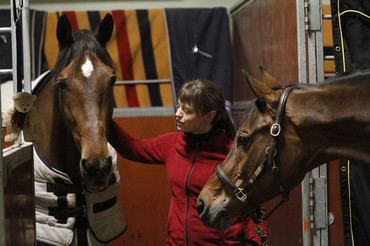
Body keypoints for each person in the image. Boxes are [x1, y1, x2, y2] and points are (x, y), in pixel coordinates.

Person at [108, 79, 268, 245]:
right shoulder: (171, 144)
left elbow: (254, 209)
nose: (178, 114)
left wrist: (259, 241)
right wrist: (99, 118)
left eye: (187, 111)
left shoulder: (233, 155)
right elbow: (132, 148)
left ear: (209, 116)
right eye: (179, 107)